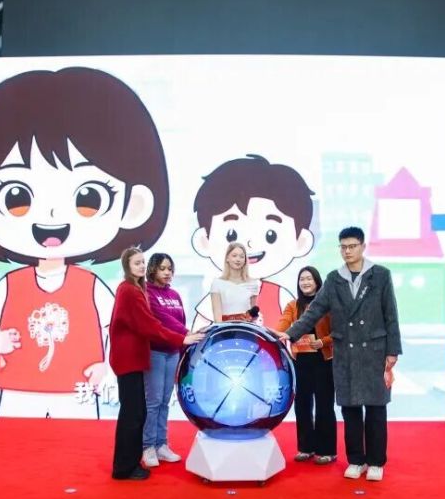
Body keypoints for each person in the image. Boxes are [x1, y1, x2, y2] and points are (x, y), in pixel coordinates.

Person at [0, 67, 171, 418]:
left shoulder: (92, 286)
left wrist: (107, 367)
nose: (52, 219)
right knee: (13, 444)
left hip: (76, 386)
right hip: (19, 385)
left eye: (89, 198)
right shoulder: (11, 285)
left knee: (79, 443)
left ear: (134, 205)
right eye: (16, 197)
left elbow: (118, 330)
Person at [277, 227, 401, 482]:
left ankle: (376, 461)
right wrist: (289, 334)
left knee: (376, 409)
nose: (347, 251)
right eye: (343, 247)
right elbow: (314, 311)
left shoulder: (380, 275)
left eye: (352, 246)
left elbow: (391, 315)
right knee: (350, 409)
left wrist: (392, 351)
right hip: (345, 352)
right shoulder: (334, 279)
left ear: (363, 246)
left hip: (375, 351)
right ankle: (356, 460)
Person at [190, 154, 317, 329]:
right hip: (225, 341)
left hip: (260, 343)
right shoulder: (217, 284)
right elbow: (204, 325)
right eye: (231, 234)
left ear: (301, 241)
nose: (250, 245)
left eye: (271, 235)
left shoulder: (276, 294)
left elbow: (291, 327)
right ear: (204, 240)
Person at [109, 248, 203, 480]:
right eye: (137, 263)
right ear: (127, 266)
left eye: (142, 262)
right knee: (136, 412)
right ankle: (130, 462)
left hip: (139, 358)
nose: (141, 266)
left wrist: (181, 340)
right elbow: (150, 325)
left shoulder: (137, 289)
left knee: (142, 409)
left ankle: (139, 457)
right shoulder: (130, 290)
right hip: (133, 358)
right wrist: (182, 337)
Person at [274, 266, 336, 465]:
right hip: (300, 361)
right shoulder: (292, 305)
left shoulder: (328, 304)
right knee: (302, 405)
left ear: (317, 282)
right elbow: (283, 326)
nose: (305, 282)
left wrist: (324, 341)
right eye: (302, 279)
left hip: (324, 360)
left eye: (309, 279)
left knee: (324, 405)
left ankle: (327, 451)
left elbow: (338, 332)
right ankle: (306, 447)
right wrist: (273, 333)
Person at [142, 252, 187, 467]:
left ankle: (161, 445)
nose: (167, 272)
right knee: (153, 402)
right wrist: (187, 334)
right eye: (162, 268)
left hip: (173, 352)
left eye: (170, 269)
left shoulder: (175, 295)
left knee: (165, 401)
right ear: (152, 270)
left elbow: (180, 320)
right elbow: (163, 319)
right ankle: (147, 447)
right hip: (155, 352)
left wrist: (183, 339)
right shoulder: (147, 292)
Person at [209, 242, 262, 323]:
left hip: (245, 328)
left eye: (241, 256)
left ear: (245, 260)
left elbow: (253, 316)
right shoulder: (217, 283)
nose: (238, 259)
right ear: (227, 258)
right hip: (225, 329)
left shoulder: (253, 284)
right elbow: (217, 317)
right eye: (234, 256)